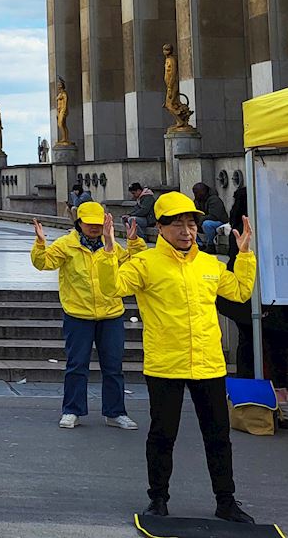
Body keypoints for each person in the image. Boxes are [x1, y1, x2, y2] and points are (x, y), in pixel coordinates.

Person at [98, 193, 257, 523]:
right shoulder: (145, 264)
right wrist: (110, 250)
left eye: (191, 223)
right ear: (159, 228)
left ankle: (226, 501)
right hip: (166, 364)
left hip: (209, 363)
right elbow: (111, 287)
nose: (186, 230)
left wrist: (244, 255)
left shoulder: (208, 263)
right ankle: (158, 499)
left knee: (218, 437)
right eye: (177, 223)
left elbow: (240, 291)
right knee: (162, 435)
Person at [31, 202, 143, 430]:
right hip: (78, 314)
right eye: (89, 223)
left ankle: (115, 412)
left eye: (98, 224)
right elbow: (43, 263)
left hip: (110, 313)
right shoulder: (66, 245)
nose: (94, 228)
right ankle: (72, 410)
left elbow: (137, 265)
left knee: (113, 366)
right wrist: (40, 244)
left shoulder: (110, 244)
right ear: (79, 223)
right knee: (77, 365)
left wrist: (133, 242)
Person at [192, 181, 228, 251]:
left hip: (220, 222)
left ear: (203, 191)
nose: (195, 195)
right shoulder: (197, 201)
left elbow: (214, 216)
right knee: (189, 225)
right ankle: (199, 245)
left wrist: (201, 219)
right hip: (203, 222)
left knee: (207, 224)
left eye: (197, 192)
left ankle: (211, 245)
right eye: (194, 193)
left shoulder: (214, 199)